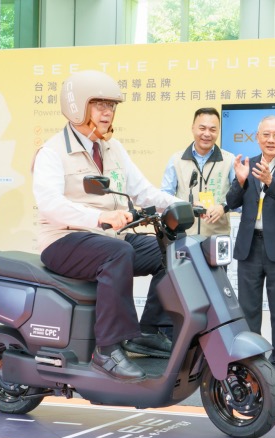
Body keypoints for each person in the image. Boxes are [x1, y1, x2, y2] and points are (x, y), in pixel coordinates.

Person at [32, 70, 180, 381]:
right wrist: (99, 218)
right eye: (99, 104)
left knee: (172, 249)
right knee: (118, 252)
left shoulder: (113, 148)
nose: (107, 112)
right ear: (77, 106)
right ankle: (107, 351)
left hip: (106, 237)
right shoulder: (52, 152)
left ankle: (148, 330)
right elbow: (50, 204)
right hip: (63, 240)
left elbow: (143, 191)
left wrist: (181, 204)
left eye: (111, 106)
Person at [226, 116, 275, 386]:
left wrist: (271, 181)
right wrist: (240, 181)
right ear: (257, 137)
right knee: (248, 309)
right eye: (266, 135)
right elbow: (231, 202)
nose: (271, 140)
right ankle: (251, 364)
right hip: (250, 245)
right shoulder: (246, 164)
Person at [161, 107, 236, 237]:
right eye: (202, 128)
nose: (207, 134)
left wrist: (223, 207)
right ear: (193, 128)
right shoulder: (176, 160)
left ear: (218, 131)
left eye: (212, 129)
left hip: (217, 236)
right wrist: (186, 207)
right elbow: (164, 196)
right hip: (184, 235)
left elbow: (239, 199)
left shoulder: (230, 160)